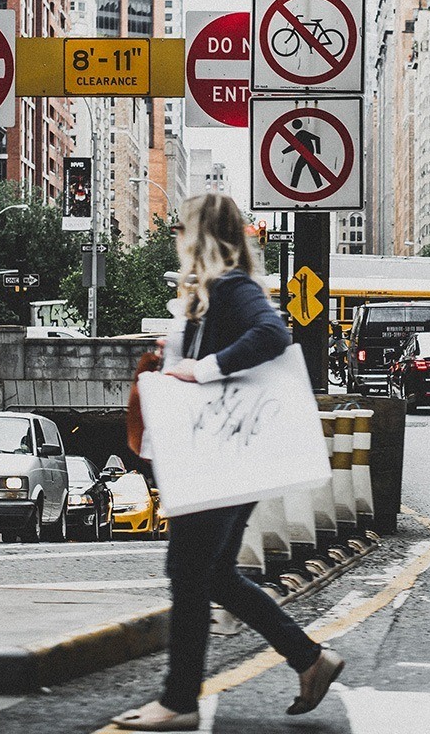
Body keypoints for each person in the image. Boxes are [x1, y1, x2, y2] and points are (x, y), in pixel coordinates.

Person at [113, 193, 343, 732]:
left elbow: (273, 334)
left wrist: (202, 369)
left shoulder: (232, 287)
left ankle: (179, 701)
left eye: (181, 230)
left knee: (188, 570)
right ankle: (310, 658)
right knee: (212, 572)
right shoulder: (210, 296)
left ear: (200, 236)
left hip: (223, 455)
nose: (176, 239)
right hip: (225, 454)